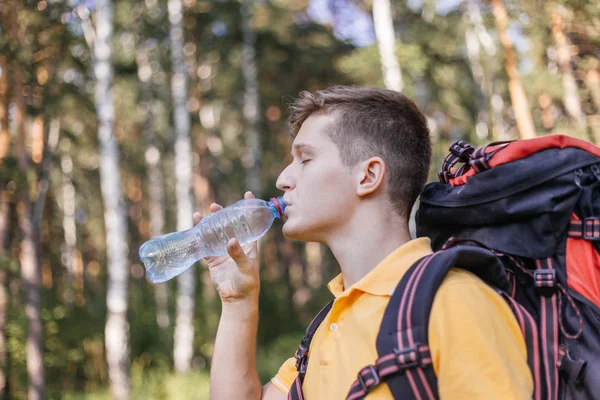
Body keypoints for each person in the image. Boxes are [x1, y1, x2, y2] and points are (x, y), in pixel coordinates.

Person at [198, 86, 532, 399]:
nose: (283, 179)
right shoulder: (326, 328)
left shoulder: (455, 302)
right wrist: (238, 301)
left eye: (305, 158)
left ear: (368, 176)